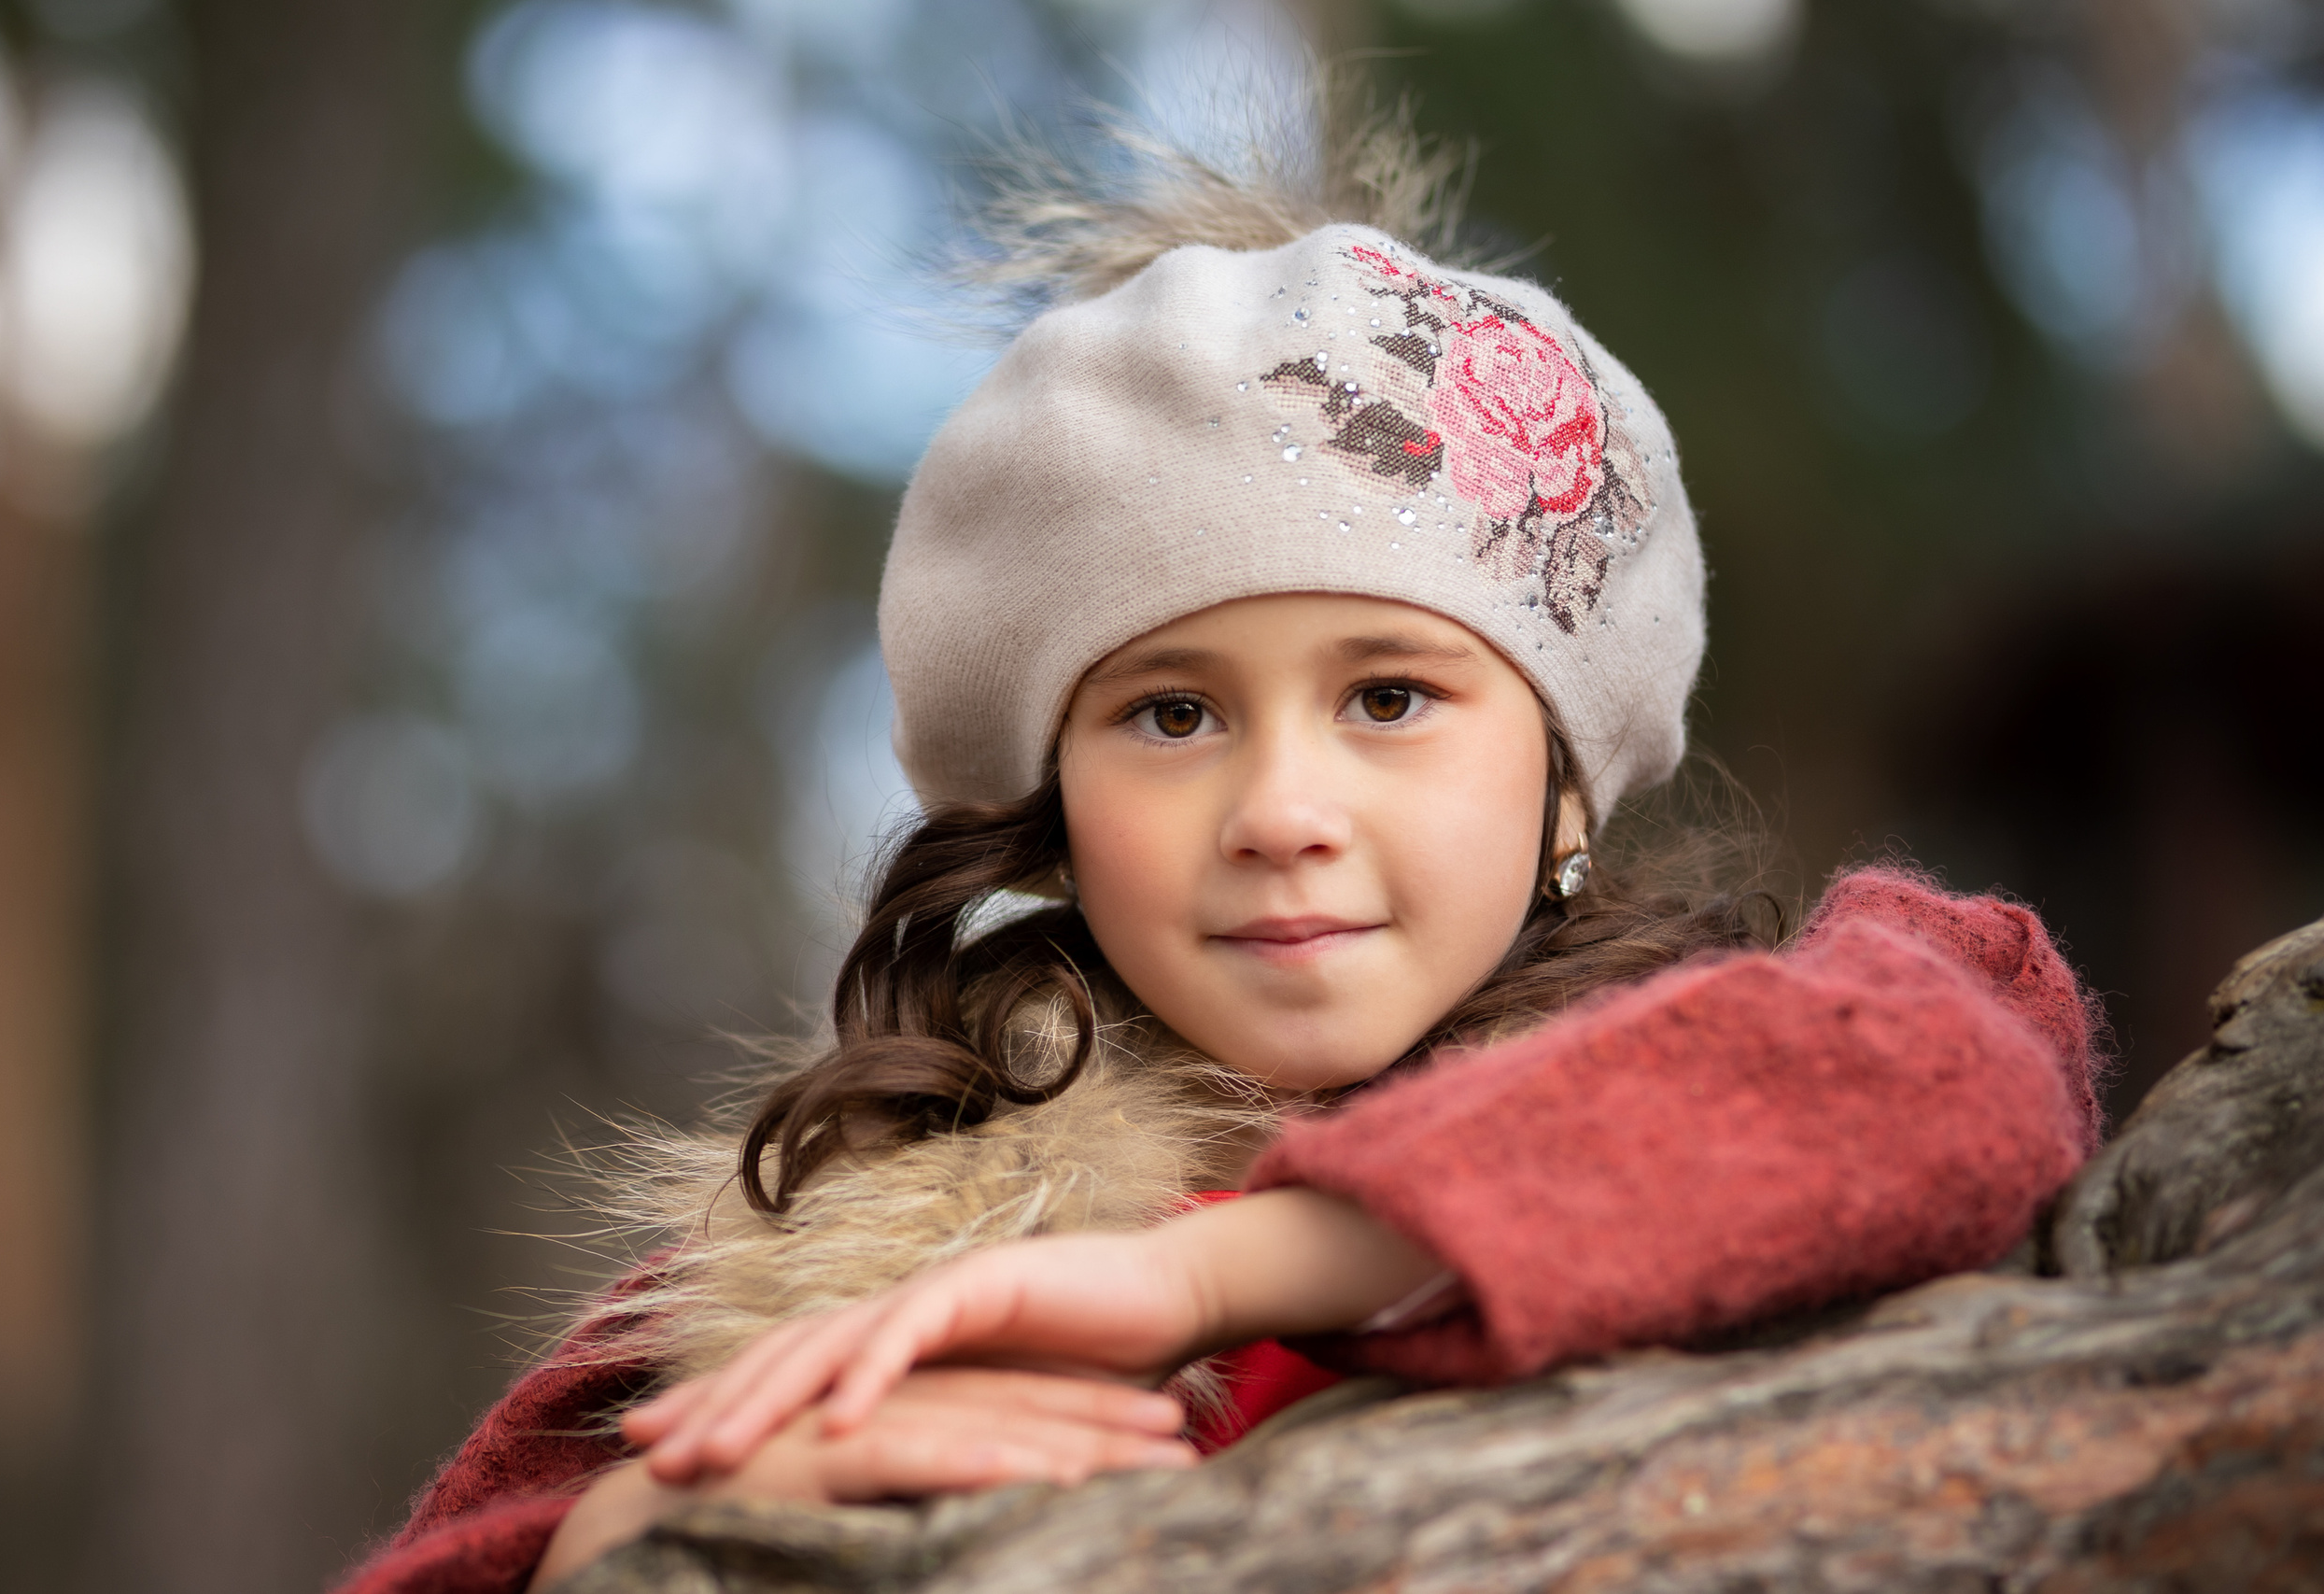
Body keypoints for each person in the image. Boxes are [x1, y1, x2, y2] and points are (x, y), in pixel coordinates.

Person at [334, 130, 2106, 1594]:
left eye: (1393, 696)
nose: (1280, 807)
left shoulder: (1773, 1035)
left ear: (1566, 789)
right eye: (1172, 717)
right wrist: (645, 1536)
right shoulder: (859, 1240)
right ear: (1054, 803)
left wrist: (1217, 1276)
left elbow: (1972, 1077)